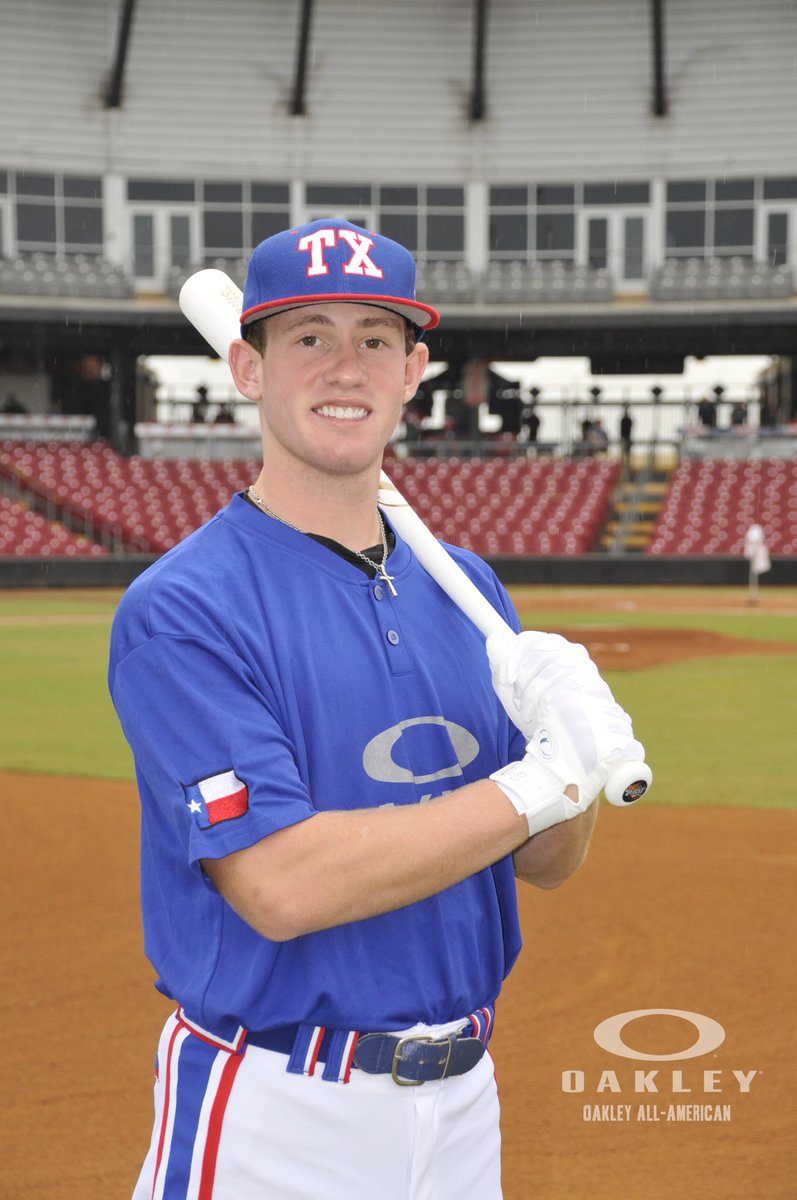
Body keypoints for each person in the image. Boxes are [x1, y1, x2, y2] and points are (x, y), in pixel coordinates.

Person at [108, 218, 642, 1199]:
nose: (343, 366)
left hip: (464, 1106)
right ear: (246, 366)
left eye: (375, 340)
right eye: (307, 336)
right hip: (277, 1110)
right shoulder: (184, 610)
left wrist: (572, 756)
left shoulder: (469, 591)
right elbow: (281, 886)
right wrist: (538, 780)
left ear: (412, 372)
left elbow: (543, 861)